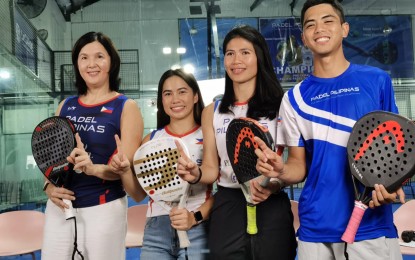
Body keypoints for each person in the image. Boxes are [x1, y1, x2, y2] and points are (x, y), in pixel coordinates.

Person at [254, 1, 405, 259]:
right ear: (303, 37)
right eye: (310, 24)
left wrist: (392, 187)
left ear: (344, 29)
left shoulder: (377, 81)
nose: (319, 28)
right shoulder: (294, 99)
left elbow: (395, 153)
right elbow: (298, 166)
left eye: (328, 21)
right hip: (316, 229)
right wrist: (281, 170)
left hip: (371, 228)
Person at [177, 25, 297, 260]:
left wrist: (273, 185)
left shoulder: (282, 106)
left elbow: (296, 164)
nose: (236, 60)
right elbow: (212, 168)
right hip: (228, 206)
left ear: (259, 57)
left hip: (271, 203)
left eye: (245, 52)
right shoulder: (212, 111)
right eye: (230, 53)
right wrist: (196, 174)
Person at [41, 31, 144, 260]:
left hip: (104, 208)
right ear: (77, 63)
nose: (91, 64)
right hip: (61, 207)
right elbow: (51, 158)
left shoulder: (126, 107)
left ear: (111, 62)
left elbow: (125, 170)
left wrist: (92, 168)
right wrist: (48, 187)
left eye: (99, 56)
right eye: (84, 57)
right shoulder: (65, 106)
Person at [110, 68, 213, 259]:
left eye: (182, 91)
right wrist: (125, 171)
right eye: (167, 94)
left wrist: (194, 217)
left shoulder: (208, 136)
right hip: (156, 231)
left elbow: (222, 191)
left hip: (198, 228)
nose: (175, 99)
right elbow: (140, 194)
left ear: (196, 96)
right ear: (162, 100)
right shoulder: (151, 140)